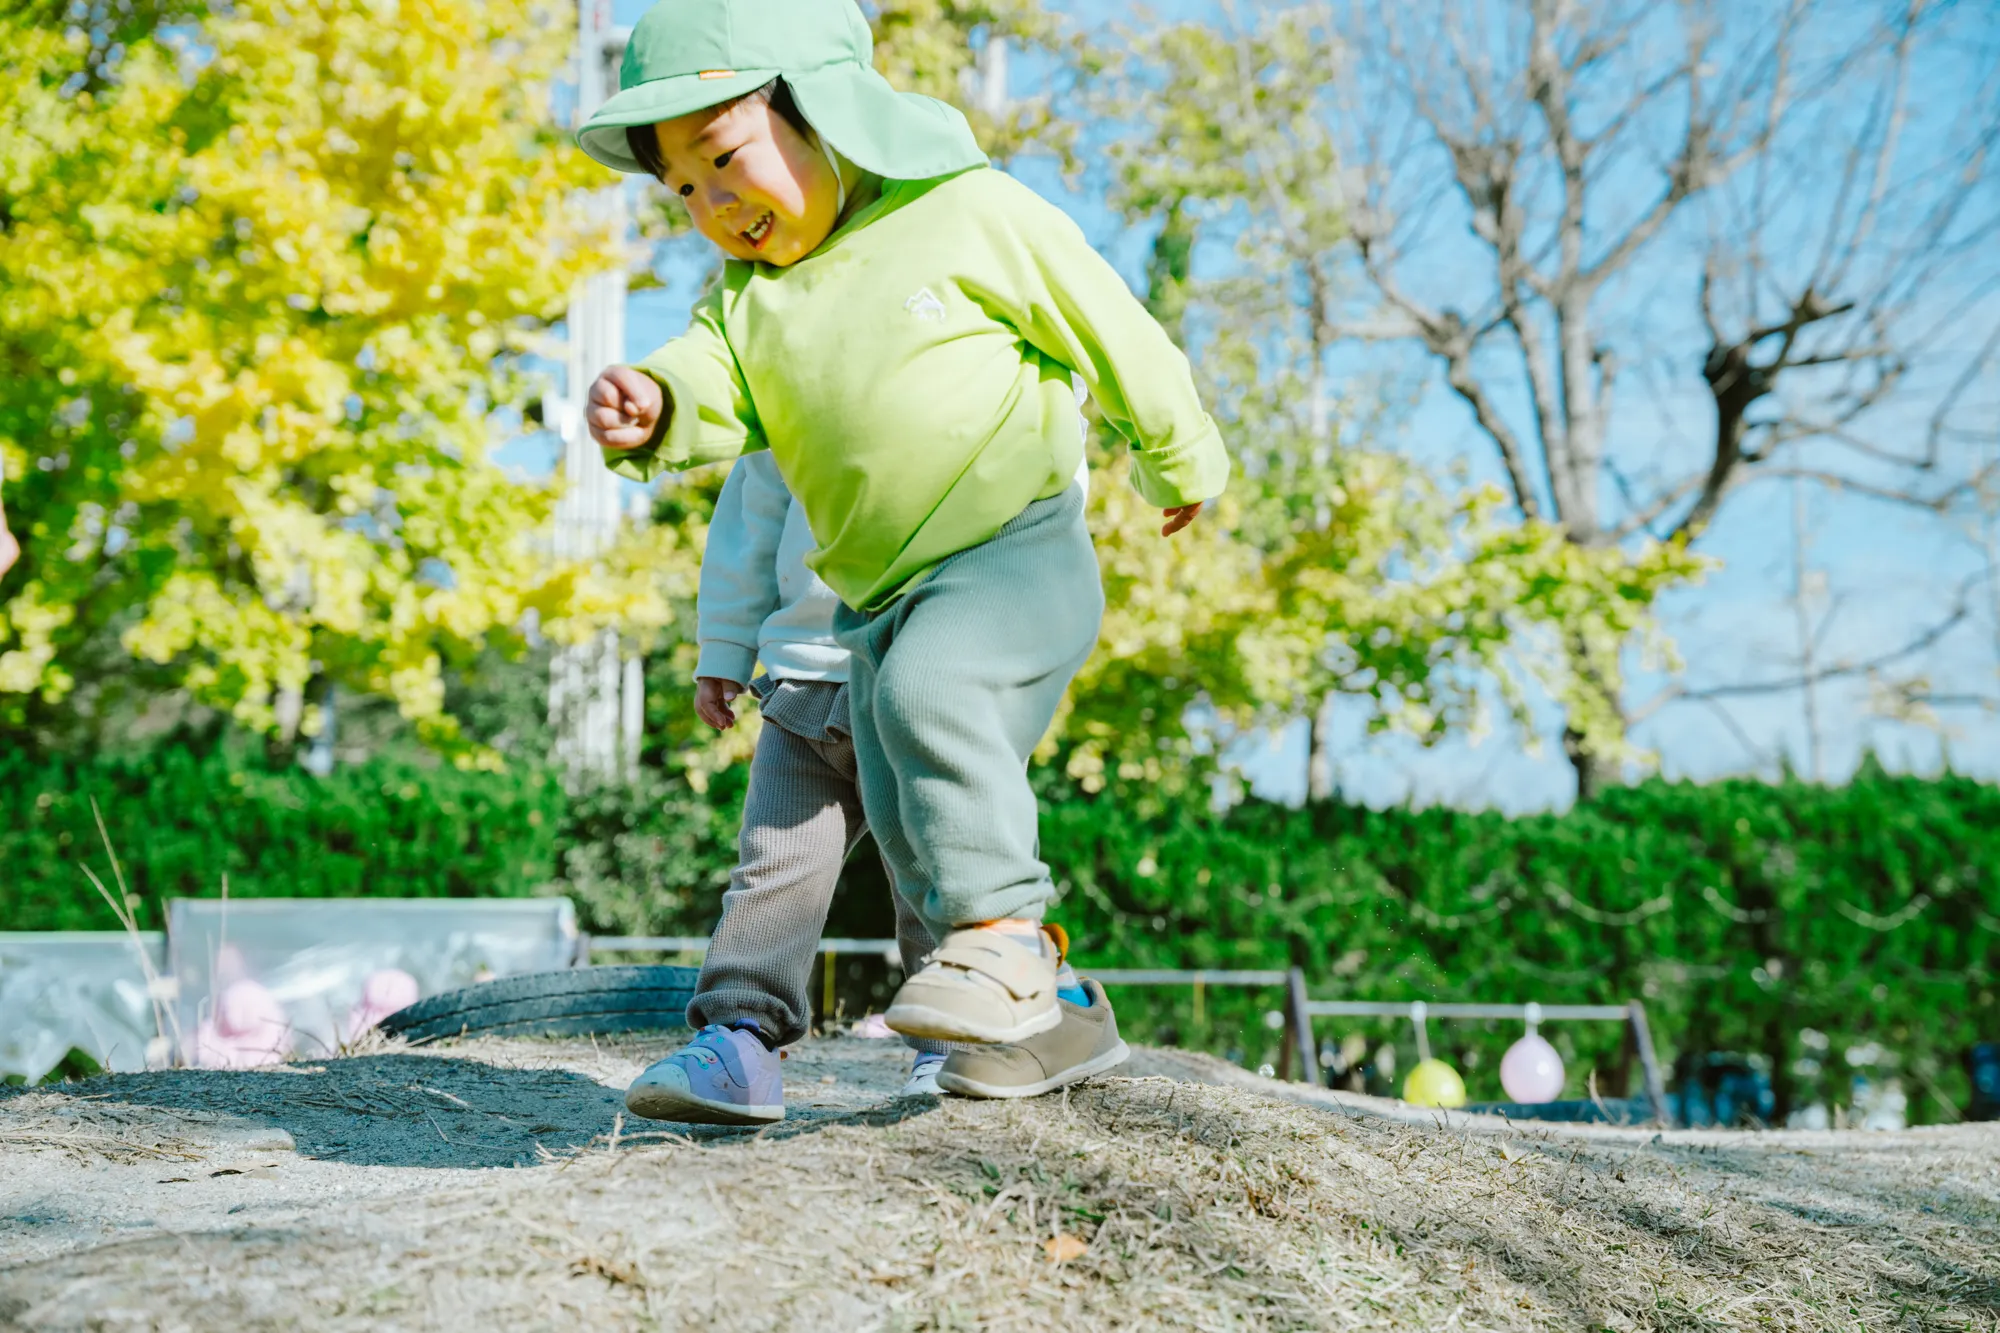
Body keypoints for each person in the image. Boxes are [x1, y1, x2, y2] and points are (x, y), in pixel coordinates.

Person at [581, 0, 1226, 1112]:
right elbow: (713, 377)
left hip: (1007, 550)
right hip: (870, 604)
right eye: (680, 187)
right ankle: (1056, 1021)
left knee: (932, 698)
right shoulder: (754, 298)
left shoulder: (964, 213)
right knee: (912, 819)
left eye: (724, 157)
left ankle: (1010, 944)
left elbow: (1100, 316)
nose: (711, 201)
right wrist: (657, 400)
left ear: (823, 113)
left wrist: (1177, 453)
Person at [624, 448, 952, 1124]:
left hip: (928, 669)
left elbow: (1043, 480)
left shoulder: (985, 351)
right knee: (773, 871)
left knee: (941, 874)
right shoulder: (788, 363)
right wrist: (724, 644)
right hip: (804, 674)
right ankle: (741, 1040)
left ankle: (959, 1042)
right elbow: (754, 508)